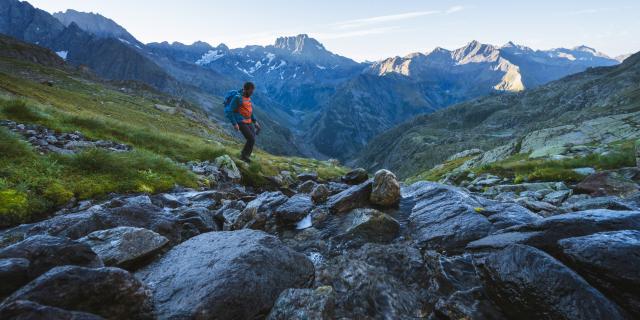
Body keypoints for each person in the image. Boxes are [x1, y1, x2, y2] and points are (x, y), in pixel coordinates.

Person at [228, 82, 261, 163]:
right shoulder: (237, 98)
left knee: (252, 137)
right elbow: (230, 111)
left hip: (249, 121)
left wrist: (255, 121)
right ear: (245, 89)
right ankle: (244, 157)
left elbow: (250, 111)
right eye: (250, 91)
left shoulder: (248, 97)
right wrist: (235, 123)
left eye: (252, 91)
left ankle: (245, 155)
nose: (252, 93)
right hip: (240, 121)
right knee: (251, 139)